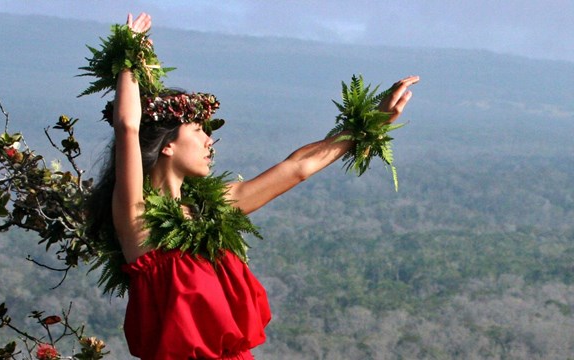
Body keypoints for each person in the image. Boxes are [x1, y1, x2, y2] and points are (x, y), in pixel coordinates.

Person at [87, 12, 419, 360]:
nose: (209, 141)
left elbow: (296, 168)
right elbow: (128, 127)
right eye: (199, 130)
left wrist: (365, 126)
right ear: (167, 145)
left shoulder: (211, 211)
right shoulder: (137, 221)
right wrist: (128, 59)